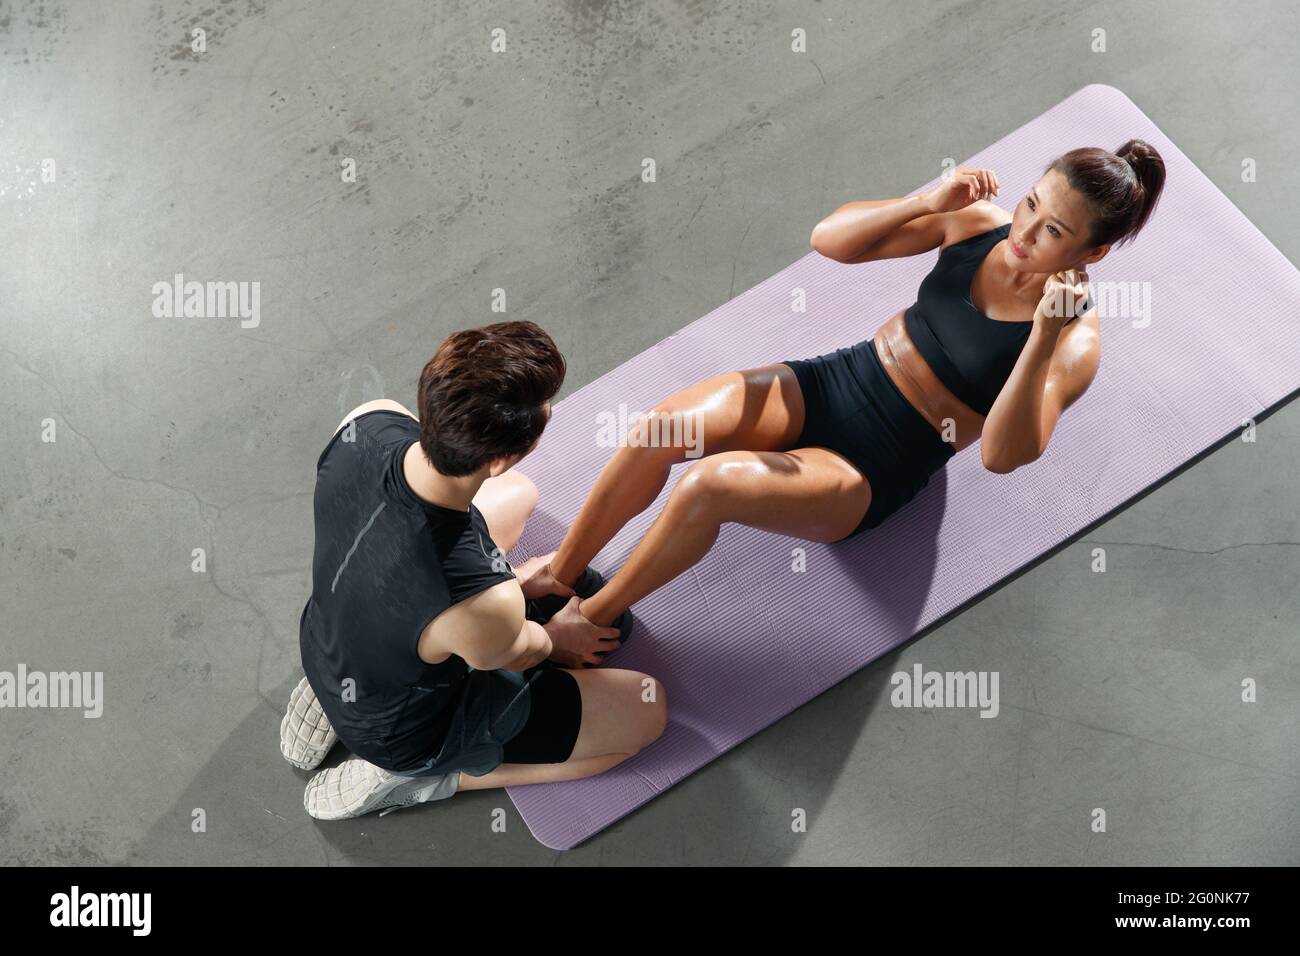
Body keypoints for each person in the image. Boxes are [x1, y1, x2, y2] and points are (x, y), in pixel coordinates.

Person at [540, 141, 1166, 628]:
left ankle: (587, 621)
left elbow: (1003, 457)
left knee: (708, 486)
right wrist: (928, 201)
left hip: (881, 459)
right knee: (661, 429)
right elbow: (830, 241)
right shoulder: (978, 226)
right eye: (1032, 203)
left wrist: (1044, 338)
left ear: (1094, 254)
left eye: (1053, 230)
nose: (1023, 234)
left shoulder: (1075, 343)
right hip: (839, 377)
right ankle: (558, 577)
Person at [282, 321, 666, 820]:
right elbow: (519, 653)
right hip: (404, 732)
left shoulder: (368, 421)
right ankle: (427, 777)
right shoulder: (484, 604)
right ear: (501, 458)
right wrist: (554, 635)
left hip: (326, 641)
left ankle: (345, 680)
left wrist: (512, 587)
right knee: (646, 711)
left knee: (521, 498)